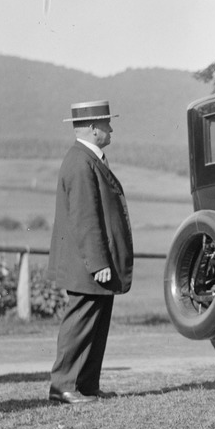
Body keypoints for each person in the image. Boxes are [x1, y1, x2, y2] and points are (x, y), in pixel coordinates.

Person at [47, 100, 133, 404]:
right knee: (81, 321)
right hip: (87, 263)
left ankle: (85, 384)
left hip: (91, 262)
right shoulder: (82, 162)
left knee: (95, 321)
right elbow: (85, 218)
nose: (111, 129)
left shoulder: (85, 159)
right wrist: (97, 262)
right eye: (107, 124)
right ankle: (63, 386)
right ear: (94, 129)